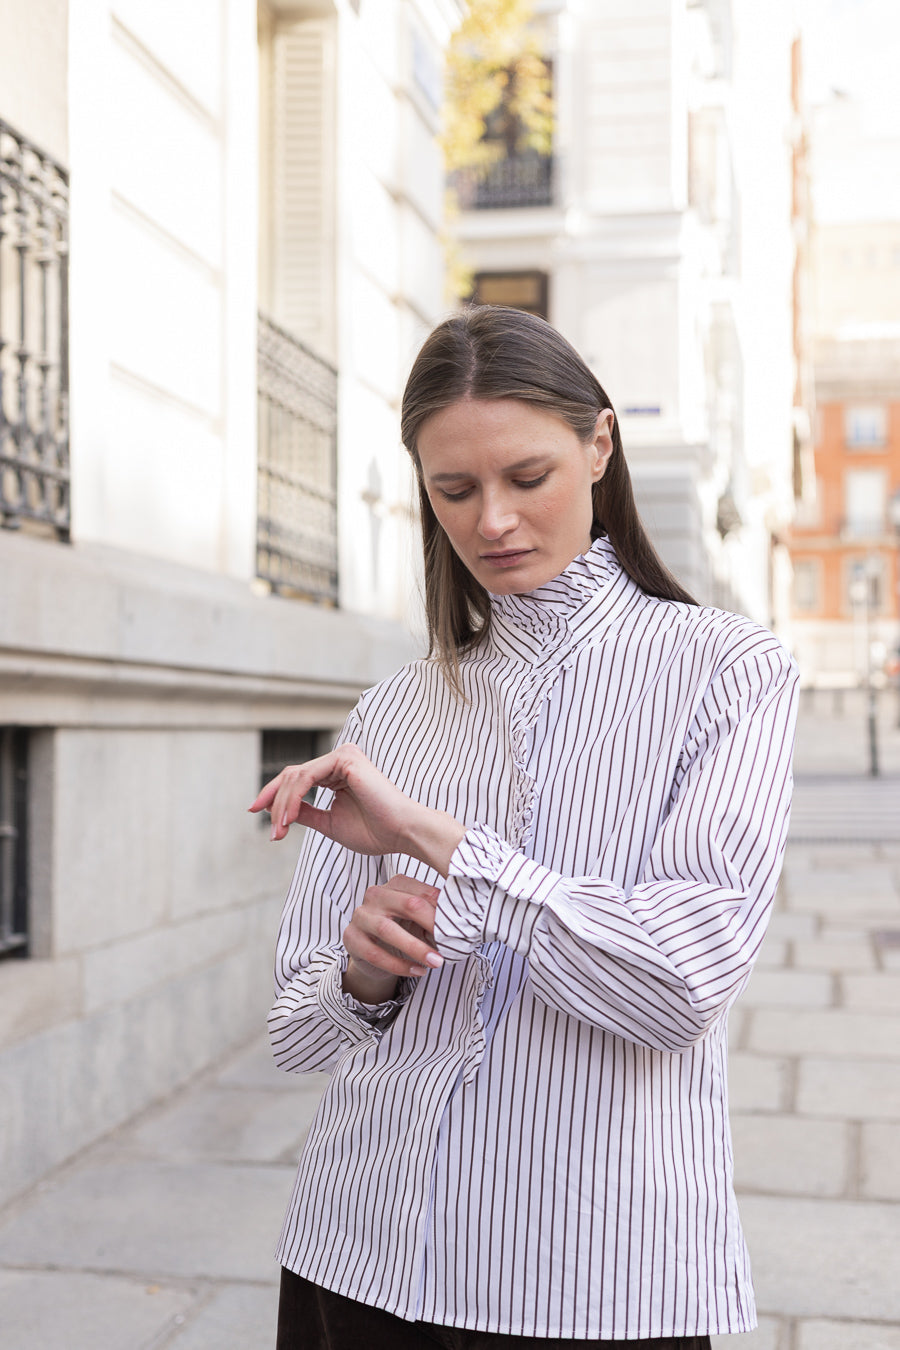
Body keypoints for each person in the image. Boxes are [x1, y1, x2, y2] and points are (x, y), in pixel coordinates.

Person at [251, 306, 798, 1350]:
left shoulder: (727, 671)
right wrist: (362, 975)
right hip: (354, 1255)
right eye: (453, 491)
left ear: (600, 444)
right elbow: (291, 1029)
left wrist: (440, 845)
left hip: (586, 1278)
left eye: (526, 478)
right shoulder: (394, 711)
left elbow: (680, 983)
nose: (491, 519)